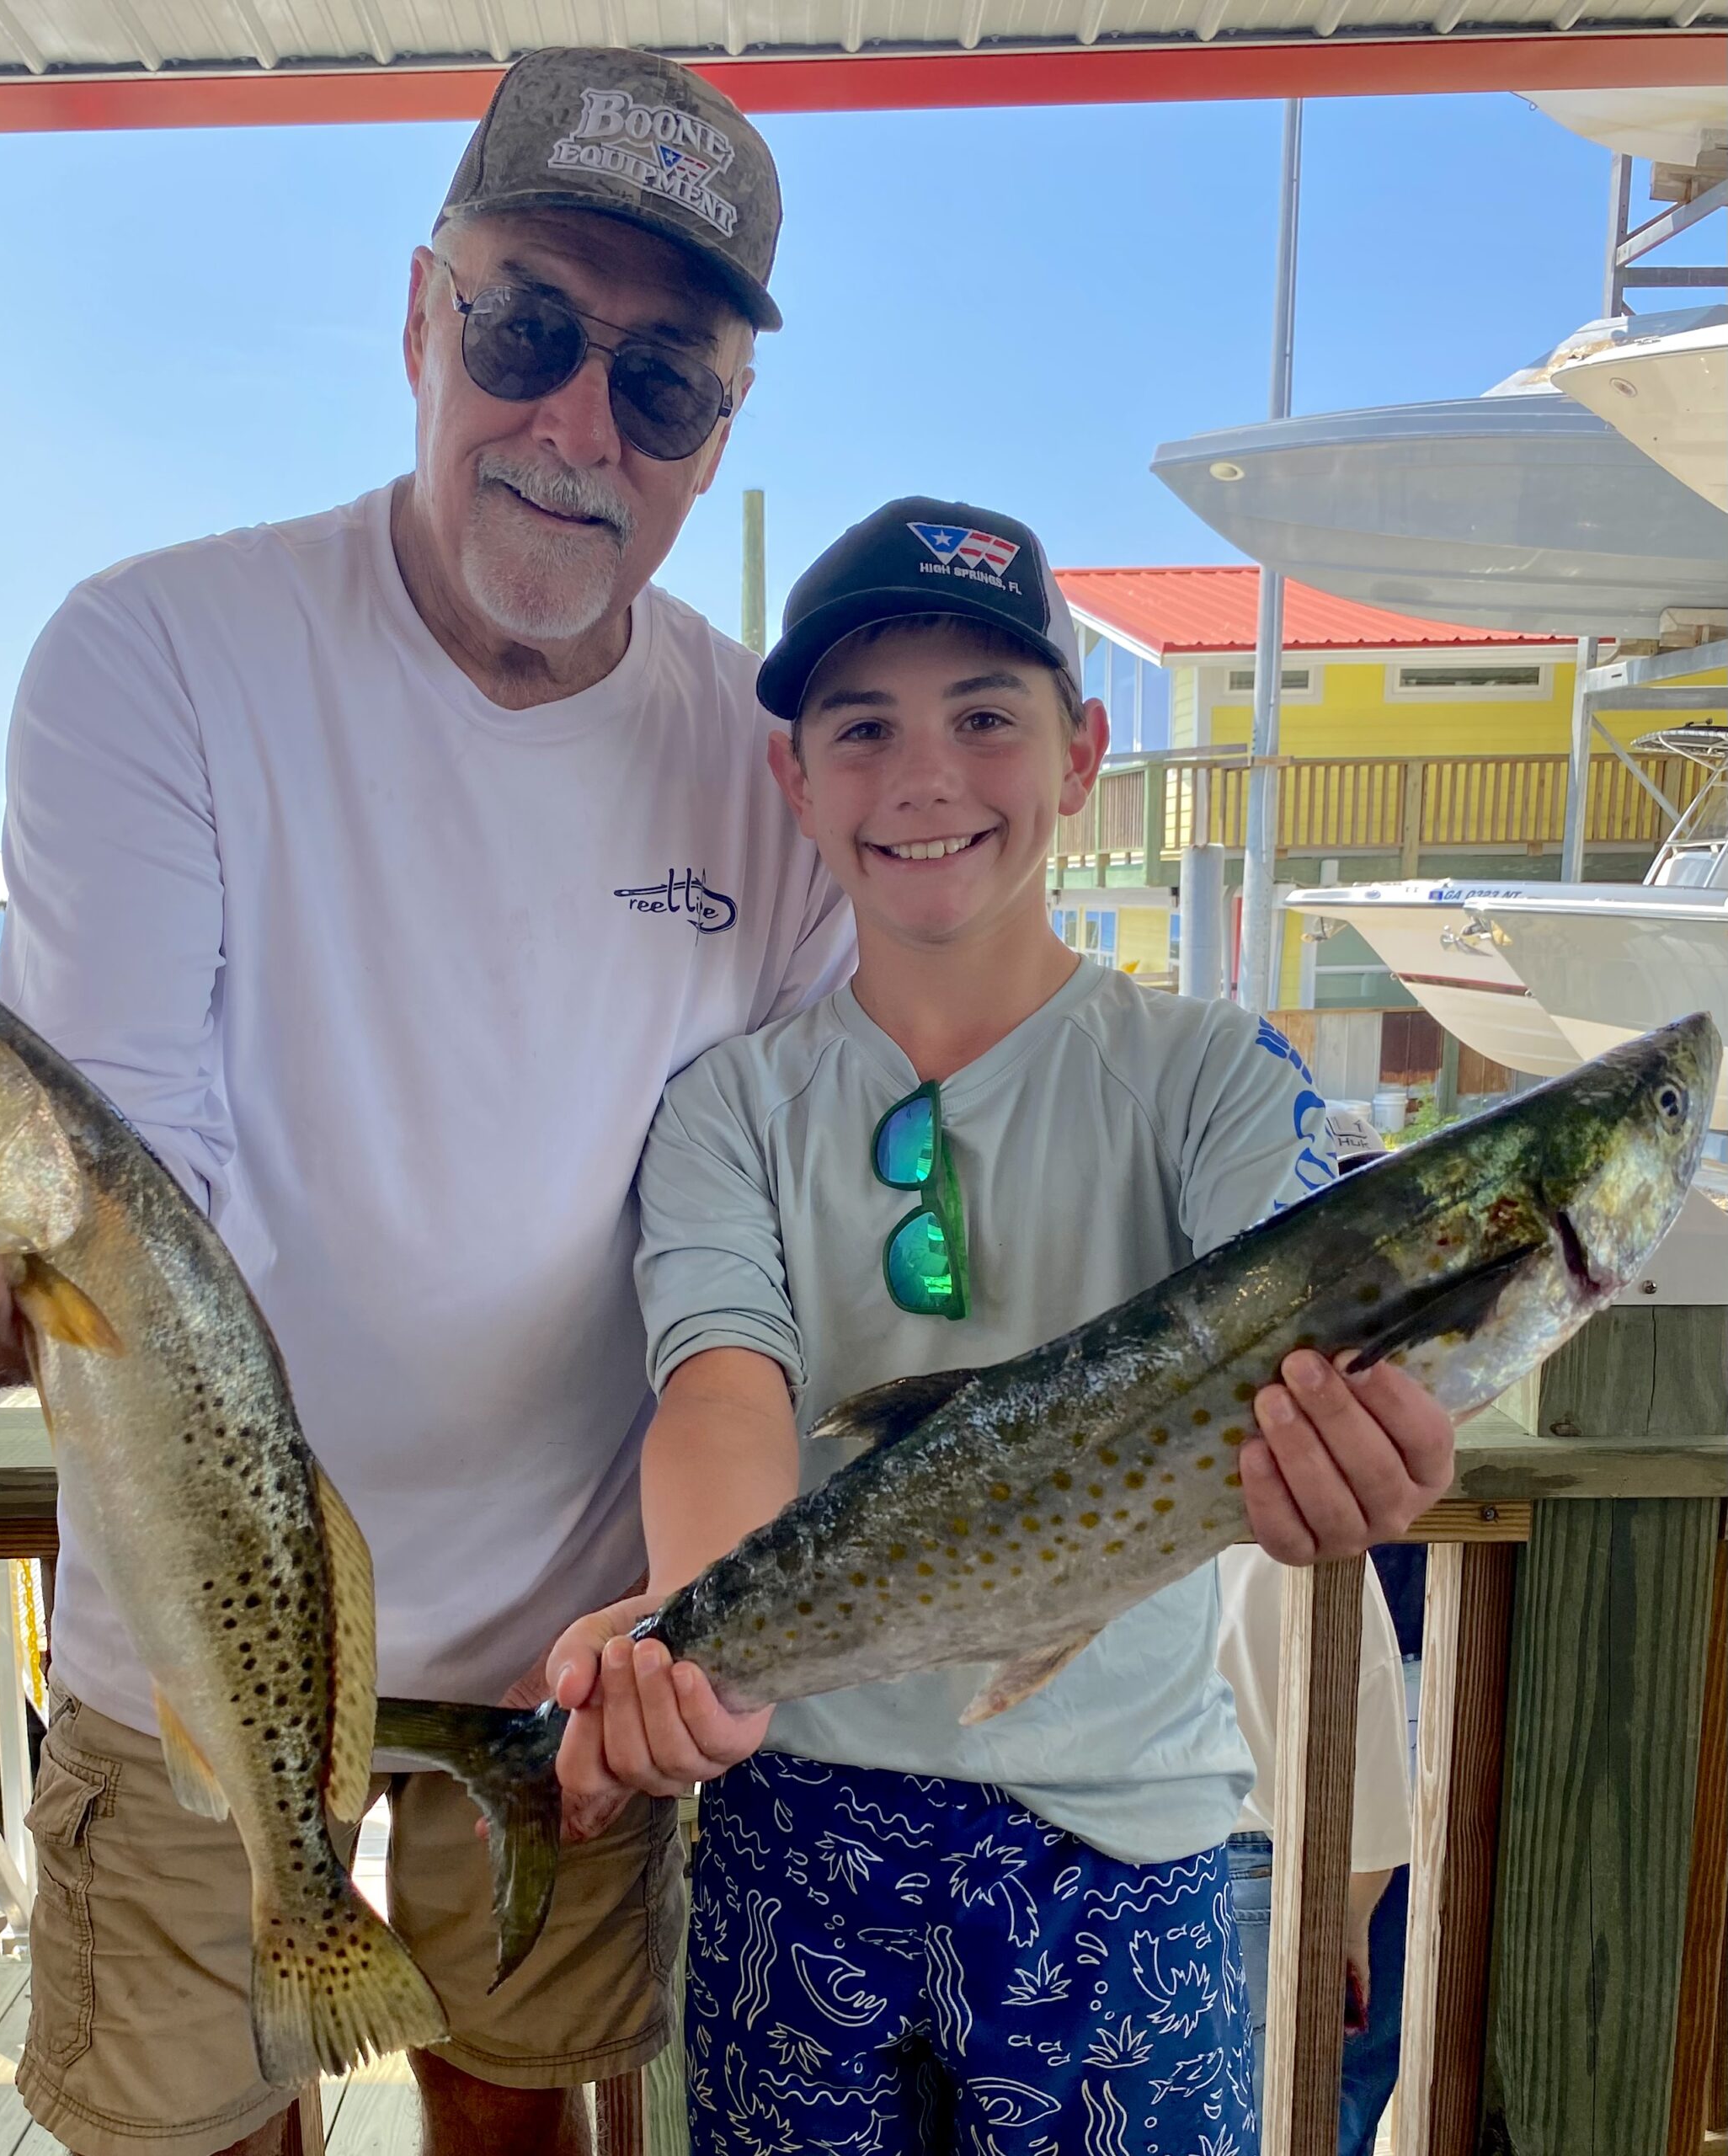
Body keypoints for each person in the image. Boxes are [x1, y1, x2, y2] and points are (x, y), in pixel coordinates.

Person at [0, 48, 851, 2156]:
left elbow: (769, 1257)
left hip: (574, 1661)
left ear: (719, 428)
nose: (576, 426)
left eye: (661, 383)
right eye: (526, 330)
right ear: (422, 315)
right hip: (184, 1653)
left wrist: (707, 1609)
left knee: (524, 2125)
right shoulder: (154, 652)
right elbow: (127, 1183)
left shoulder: (765, 767)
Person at [543, 497, 1459, 2151]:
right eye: (863, 728)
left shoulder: (1210, 1077)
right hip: (791, 1820)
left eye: (984, 717)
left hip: (1129, 1839)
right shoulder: (728, 1107)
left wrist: (1371, 1440)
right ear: (793, 778)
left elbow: (1307, 1322)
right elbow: (722, 1388)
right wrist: (700, 1639)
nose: (925, 778)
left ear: (1079, 753)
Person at [1215, 1544, 1413, 2132]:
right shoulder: (1319, 1549)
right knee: (1314, 2112)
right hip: (1280, 1862)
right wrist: (1352, 1919)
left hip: (1141, 1866)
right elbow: (1366, 1745)